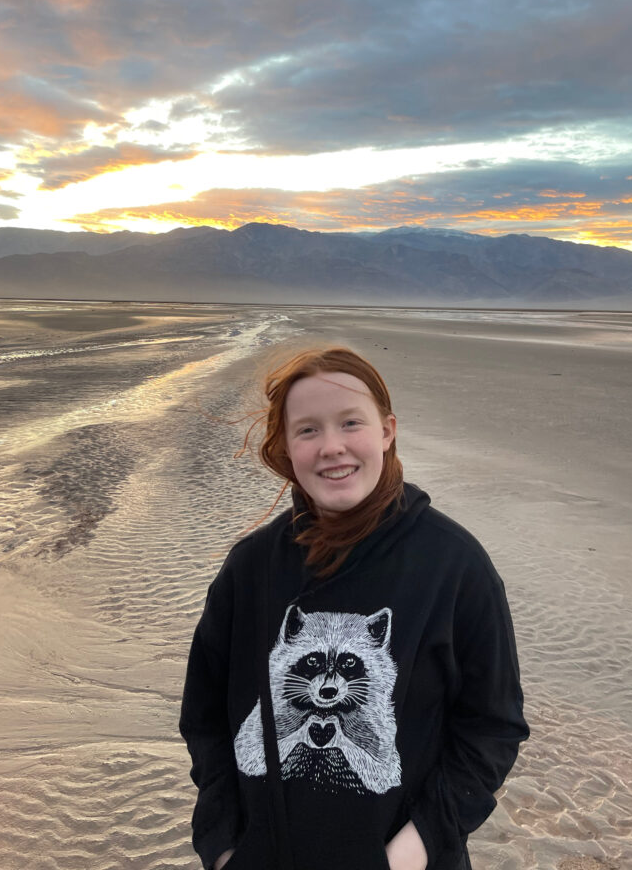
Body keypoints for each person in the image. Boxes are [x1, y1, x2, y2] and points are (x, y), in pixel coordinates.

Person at [180, 345, 529, 870]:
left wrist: (410, 852)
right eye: (308, 430)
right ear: (287, 447)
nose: (332, 447)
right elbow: (204, 716)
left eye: (351, 423)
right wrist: (224, 844)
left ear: (387, 431)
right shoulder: (251, 568)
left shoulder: (454, 567)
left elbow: (492, 728)